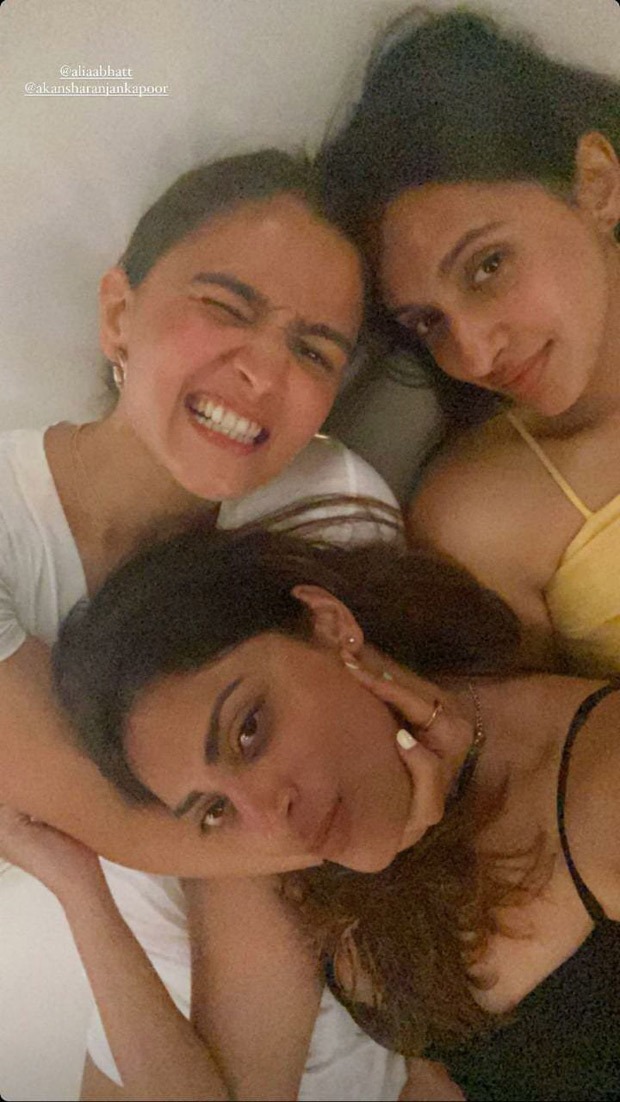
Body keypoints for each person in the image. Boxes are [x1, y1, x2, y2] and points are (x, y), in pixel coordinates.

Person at [0, 149, 405, 1100]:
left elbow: (268, 851)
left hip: (344, 1050)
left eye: (314, 351)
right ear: (118, 312)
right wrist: (383, 818)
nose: (263, 371)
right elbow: (112, 817)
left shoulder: (331, 511)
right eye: (226, 307)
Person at [3, 520, 618, 1100]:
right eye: (213, 810)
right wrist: (80, 889)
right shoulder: (278, 858)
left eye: (249, 731)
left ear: (330, 625)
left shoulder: (599, 786)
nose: (270, 820)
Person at [318, 8, 620, 676]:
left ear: (597, 185)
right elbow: (537, 736)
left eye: (488, 266)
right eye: (428, 323)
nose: (476, 357)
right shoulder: (478, 519)